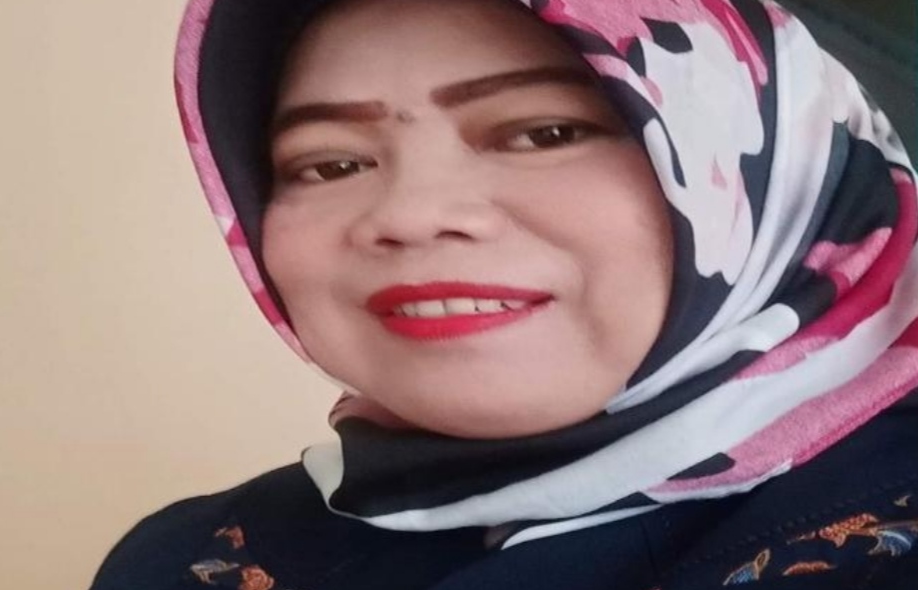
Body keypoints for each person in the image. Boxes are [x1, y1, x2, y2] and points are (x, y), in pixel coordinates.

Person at [91, 0, 918, 588]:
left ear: (786, 167)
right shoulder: (186, 560)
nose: (411, 215)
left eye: (544, 133)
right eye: (330, 164)